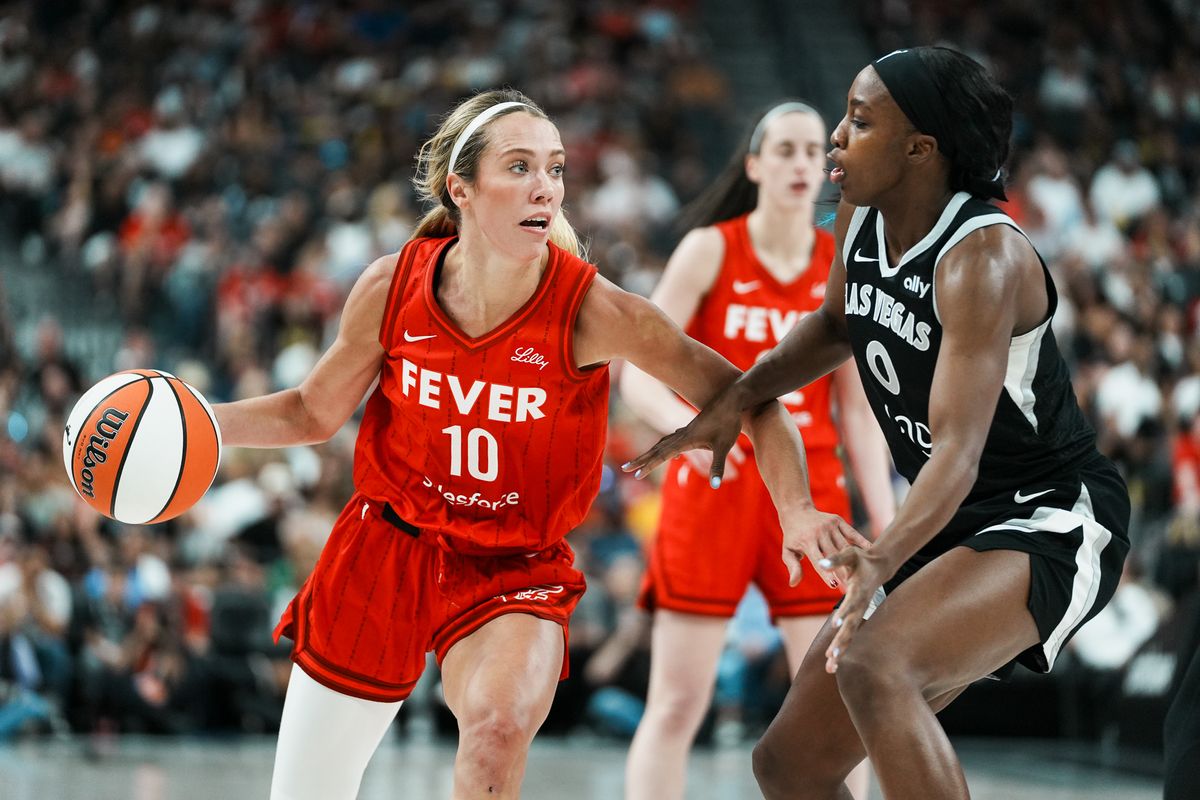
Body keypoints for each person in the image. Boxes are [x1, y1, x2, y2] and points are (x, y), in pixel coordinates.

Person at [211, 89, 867, 800]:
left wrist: (797, 510)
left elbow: (755, 401)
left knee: (495, 730)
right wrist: (196, 419)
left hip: (513, 564)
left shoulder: (594, 310)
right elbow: (311, 411)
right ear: (460, 189)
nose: (545, 186)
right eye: (519, 167)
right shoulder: (392, 285)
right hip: (385, 544)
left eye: (554, 168)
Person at [623, 47, 1131, 800]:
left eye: (859, 122)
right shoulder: (860, 213)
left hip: (1047, 514)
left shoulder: (983, 258)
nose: (836, 136)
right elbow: (833, 326)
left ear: (919, 149)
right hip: (955, 520)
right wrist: (730, 403)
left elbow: (957, 456)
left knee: (875, 665)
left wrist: (881, 561)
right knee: (789, 765)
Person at [620, 101, 894, 800]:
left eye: (813, 152)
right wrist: (684, 438)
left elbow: (858, 412)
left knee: (838, 706)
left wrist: (888, 523)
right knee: (679, 703)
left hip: (813, 499)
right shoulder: (711, 248)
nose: (803, 164)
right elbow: (635, 372)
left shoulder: (845, 263)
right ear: (754, 164)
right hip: (711, 489)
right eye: (786, 151)